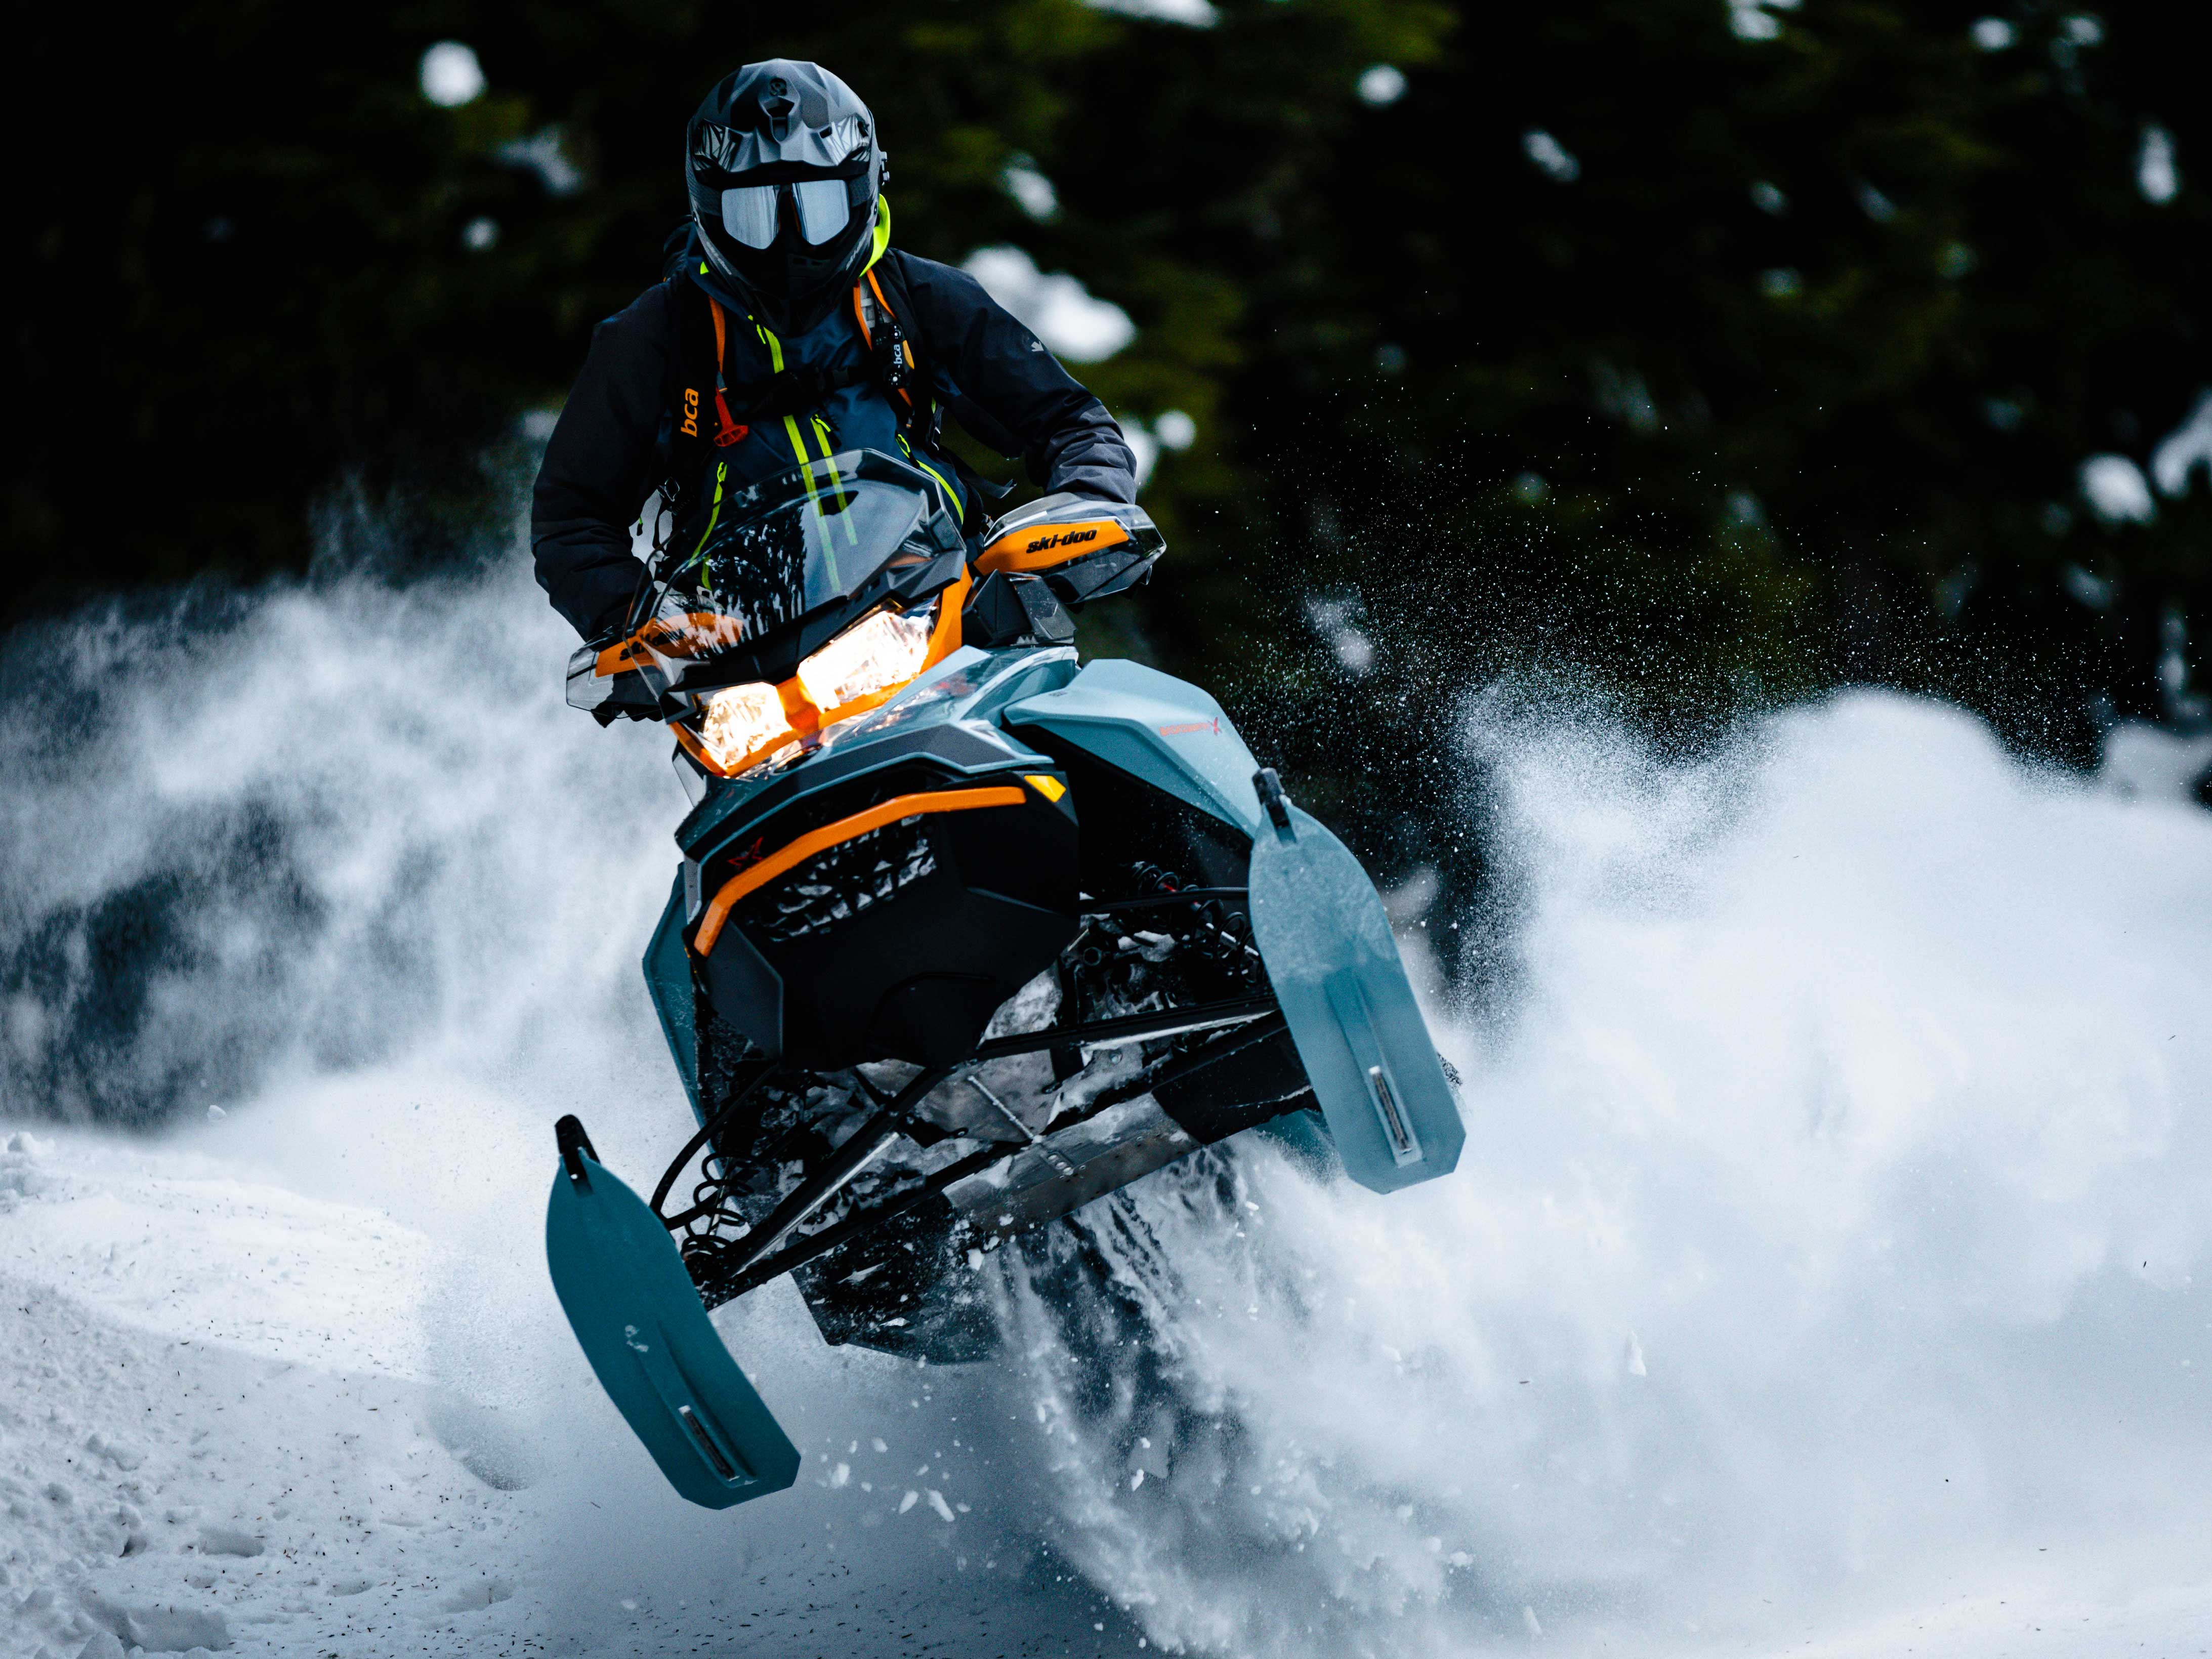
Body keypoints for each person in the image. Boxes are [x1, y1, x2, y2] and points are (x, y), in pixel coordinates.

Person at [531, 59, 1139, 642]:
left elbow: (1072, 420)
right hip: (745, 661)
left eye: (817, 208)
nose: (790, 242)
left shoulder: (918, 296)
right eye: (756, 213)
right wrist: (643, 627)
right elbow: (571, 518)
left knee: (1078, 723)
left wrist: (1090, 503)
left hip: (951, 610)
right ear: (709, 210)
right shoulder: (654, 337)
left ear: (863, 191)